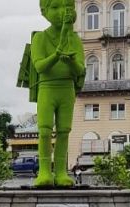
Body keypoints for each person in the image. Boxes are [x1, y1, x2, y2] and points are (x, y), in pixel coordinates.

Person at [28, 0, 85, 187]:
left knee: (64, 132)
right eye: (55, 7)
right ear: (44, 12)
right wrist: (56, 54)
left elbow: (80, 70)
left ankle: (61, 171)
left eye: (66, 7)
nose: (62, 12)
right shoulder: (40, 38)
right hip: (47, 88)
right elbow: (39, 66)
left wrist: (69, 62)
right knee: (44, 131)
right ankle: (45, 171)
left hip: (66, 89)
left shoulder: (74, 39)